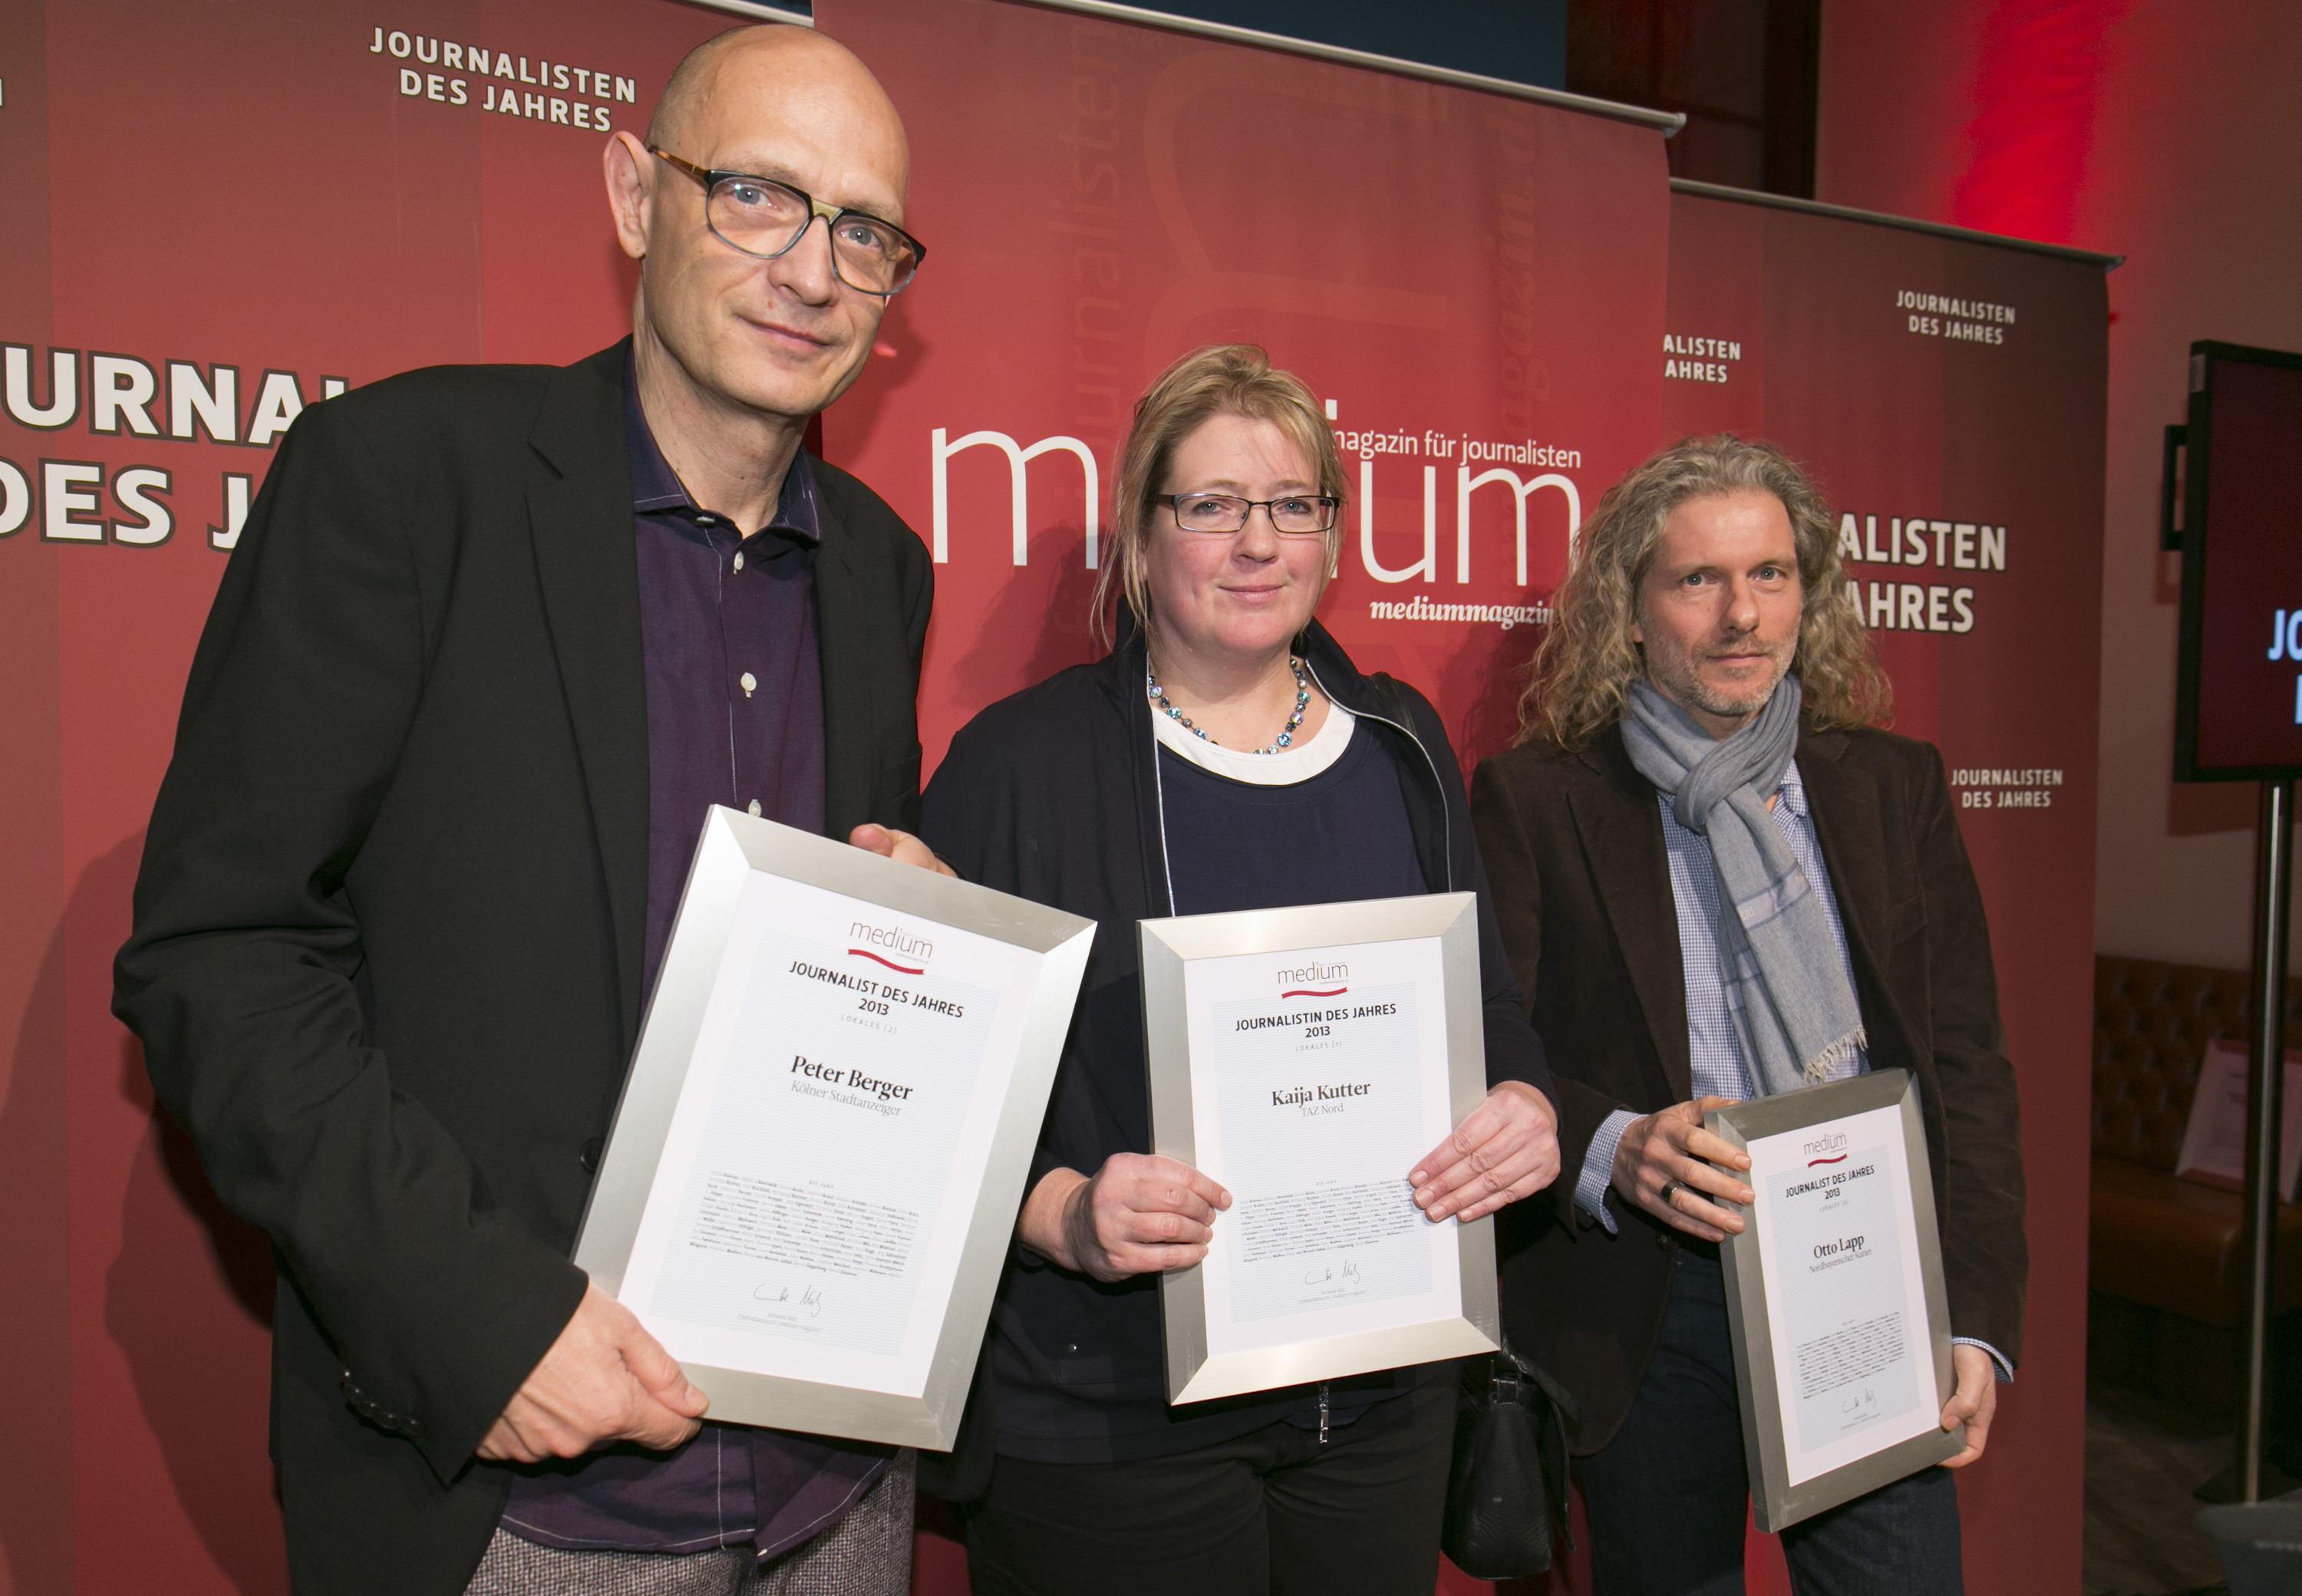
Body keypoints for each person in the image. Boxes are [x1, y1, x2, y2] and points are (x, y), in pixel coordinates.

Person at [113, 25, 940, 1596]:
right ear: (637, 194)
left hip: (834, 1497)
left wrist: (908, 940)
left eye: (863, 231)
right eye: (758, 194)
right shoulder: (404, 478)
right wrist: (481, 1318)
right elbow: (220, 956)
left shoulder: (884, 569)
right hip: (518, 1501)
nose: (812, 270)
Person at [917, 345, 1563, 1596]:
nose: (1257, 542)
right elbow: (930, 1098)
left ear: (1331, 529)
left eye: (1293, 505)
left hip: (1378, 1409)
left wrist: (1527, 1109)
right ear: (1142, 536)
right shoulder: (1021, 766)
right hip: (1111, 1419)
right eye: (1211, 506)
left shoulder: (1402, 743)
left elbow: (1485, 1009)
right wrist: (1065, 1217)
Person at [1470, 436, 2025, 1594]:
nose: (1742, 616)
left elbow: (1965, 1068)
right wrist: (1617, 1147)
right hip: (1651, 1301)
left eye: (1771, 575)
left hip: (1860, 1267)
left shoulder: (1892, 785)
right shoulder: (1535, 800)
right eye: (1698, 581)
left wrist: (1971, 1321)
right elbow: (1486, 1049)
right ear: (1628, 611)